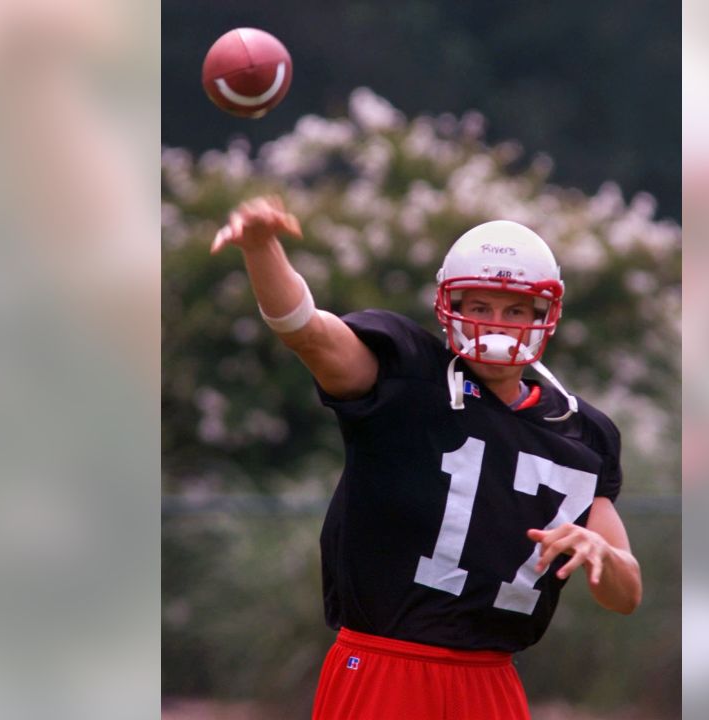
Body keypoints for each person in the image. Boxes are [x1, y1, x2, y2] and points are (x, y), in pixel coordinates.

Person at [211, 195, 643, 719]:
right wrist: (262, 249)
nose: (496, 325)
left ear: (544, 315)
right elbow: (307, 331)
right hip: (383, 666)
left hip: (492, 681)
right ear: (451, 309)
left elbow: (626, 595)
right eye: (479, 308)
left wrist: (602, 552)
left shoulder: (582, 432)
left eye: (513, 311)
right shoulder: (408, 375)